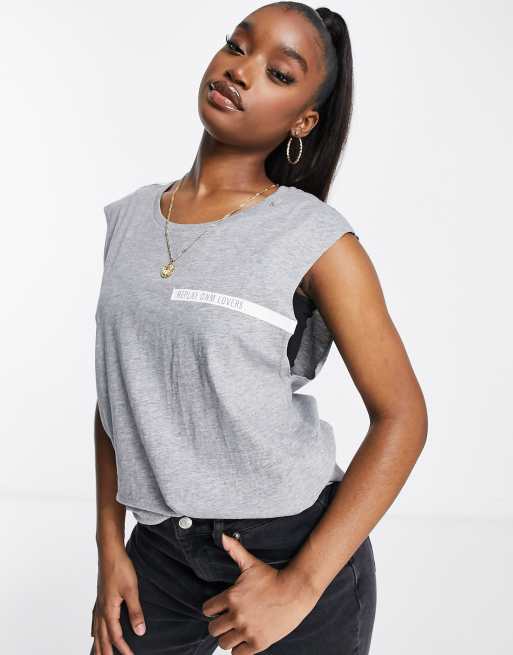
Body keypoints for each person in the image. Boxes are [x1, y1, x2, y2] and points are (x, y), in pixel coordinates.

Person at [90, 3, 428, 654]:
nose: (240, 71)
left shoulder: (316, 239)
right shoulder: (129, 218)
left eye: (279, 73)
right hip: (160, 549)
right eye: (236, 46)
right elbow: (117, 396)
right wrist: (110, 545)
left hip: (293, 547)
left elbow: (403, 417)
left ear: (304, 120)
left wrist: (298, 586)